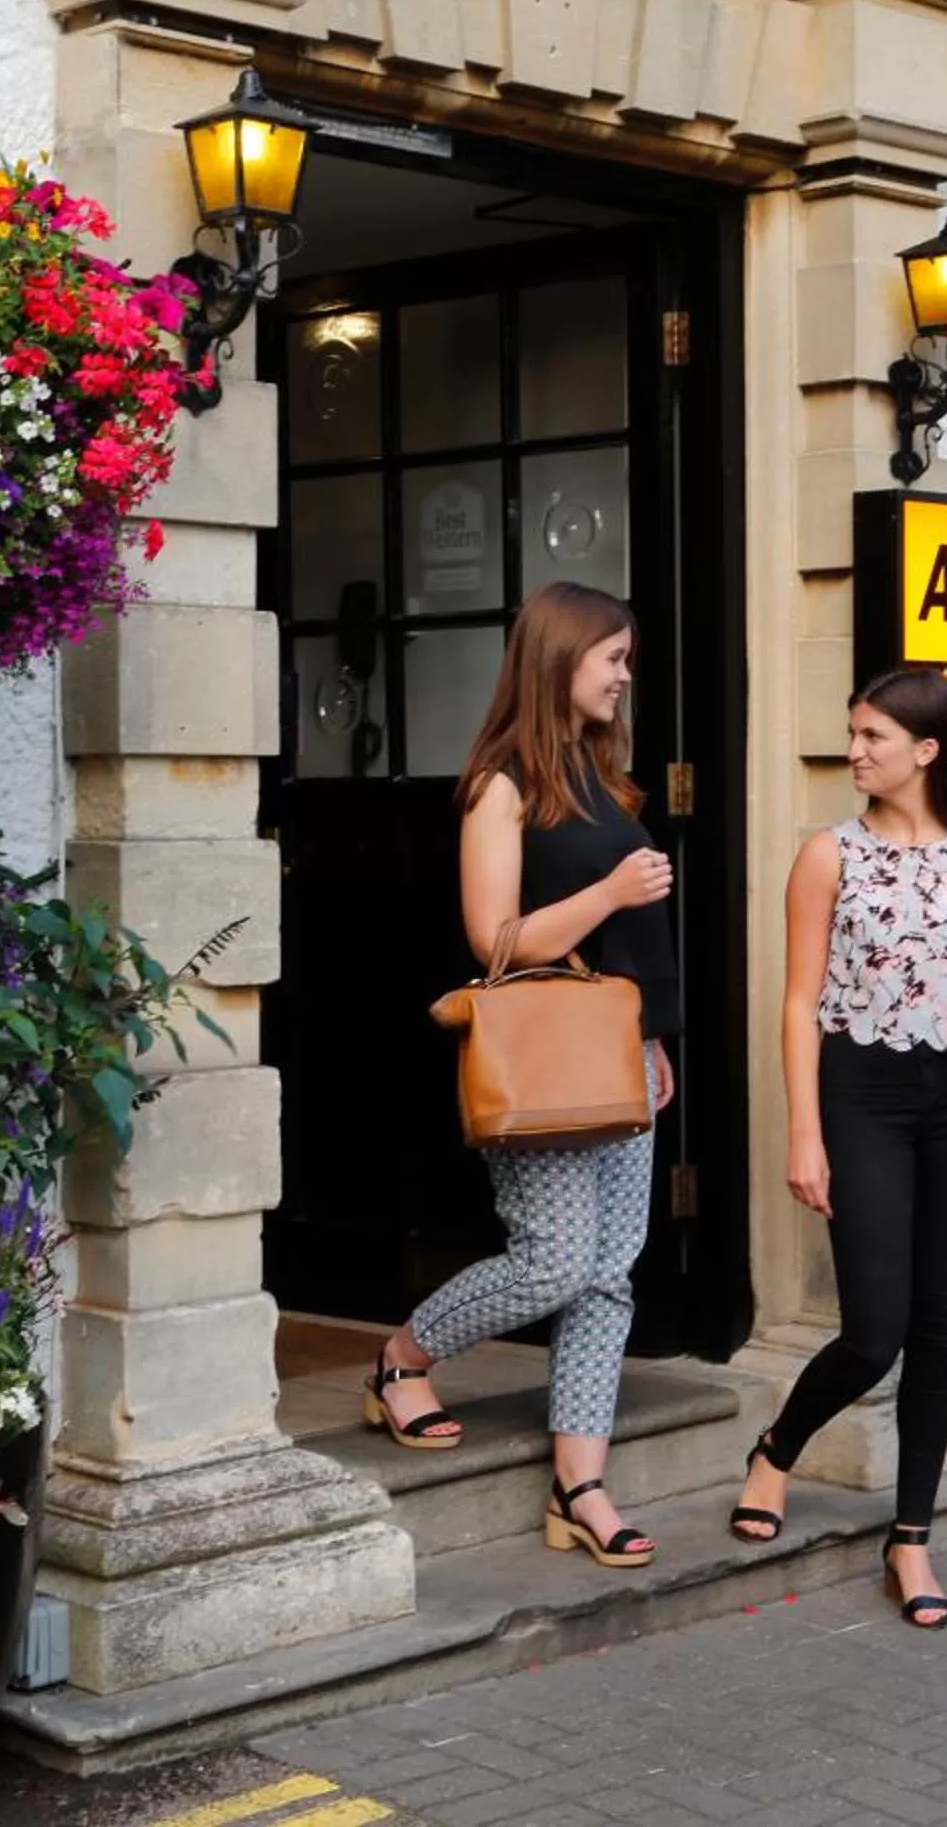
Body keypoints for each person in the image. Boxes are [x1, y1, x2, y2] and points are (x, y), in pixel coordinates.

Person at [727, 666, 947, 1629]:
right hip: (862, 1095)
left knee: (942, 1328)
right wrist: (804, 1130)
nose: (856, 750)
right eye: (852, 733)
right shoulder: (826, 854)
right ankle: (778, 1448)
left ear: (927, 750)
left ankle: (911, 1538)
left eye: (873, 735)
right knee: (874, 1332)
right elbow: (797, 1003)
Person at [364, 581, 680, 1571]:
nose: (625, 677)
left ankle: (579, 1481)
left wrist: (657, 1041)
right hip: (543, 1053)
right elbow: (493, 941)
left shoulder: (602, 774)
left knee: (609, 1271)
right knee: (555, 1257)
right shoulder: (500, 784)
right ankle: (402, 1359)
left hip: (621, 1050)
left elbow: (634, 943)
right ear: (560, 659)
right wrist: (609, 888)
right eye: (613, 659)